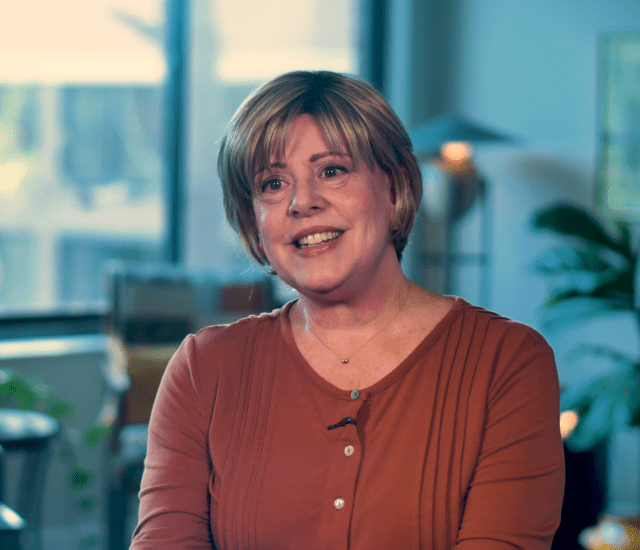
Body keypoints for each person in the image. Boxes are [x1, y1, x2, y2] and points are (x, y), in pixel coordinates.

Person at [130, 70, 564, 549]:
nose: (303, 202)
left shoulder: (508, 363)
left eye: (331, 170)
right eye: (273, 183)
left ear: (395, 186)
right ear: (253, 221)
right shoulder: (204, 369)